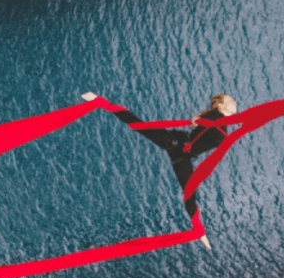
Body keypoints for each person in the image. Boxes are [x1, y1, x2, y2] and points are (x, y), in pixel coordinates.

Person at [84, 92, 239, 249]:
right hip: (175, 142)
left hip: (183, 157)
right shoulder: (215, 116)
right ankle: (101, 102)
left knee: (189, 194)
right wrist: (199, 122)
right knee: (138, 125)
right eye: (231, 99)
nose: (234, 101)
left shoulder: (223, 123)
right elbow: (205, 122)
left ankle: (199, 232)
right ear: (220, 105)